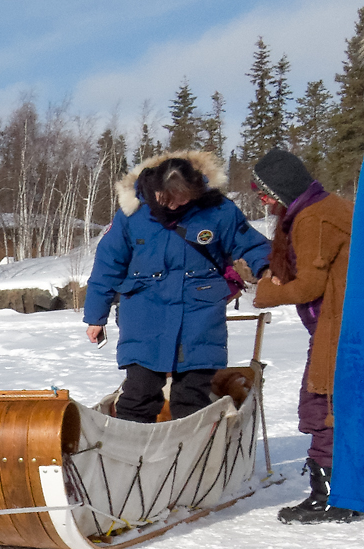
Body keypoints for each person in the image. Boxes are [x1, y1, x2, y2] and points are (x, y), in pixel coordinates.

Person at [84, 150, 271, 424]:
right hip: (144, 316)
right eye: (165, 199)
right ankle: (130, 458)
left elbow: (252, 244)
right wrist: (95, 317)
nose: (172, 206)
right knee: (139, 394)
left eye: (180, 199)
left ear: (196, 190)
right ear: (154, 189)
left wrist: (265, 268)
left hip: (199, 316)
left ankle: (189, 461)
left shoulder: (219, 211)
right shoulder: (132, 214)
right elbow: (107, 265)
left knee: (191, 398)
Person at [248, 149, 357, 523]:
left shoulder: (313, 218)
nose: (263, 199)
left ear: (282, 189)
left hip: (339, 328)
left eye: (264, 192)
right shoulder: (331, 206)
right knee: (344, 405)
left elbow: (309, 285)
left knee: (322, 406)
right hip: (343, 323)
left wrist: (267, 292)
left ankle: (331, 496)